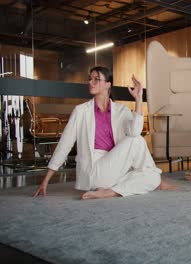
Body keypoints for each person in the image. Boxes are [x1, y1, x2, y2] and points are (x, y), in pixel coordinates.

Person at [34, 66, 174, 200]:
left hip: (115, 168)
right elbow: (65, 143)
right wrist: (46, 179)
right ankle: (154, 183)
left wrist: (138, 100)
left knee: (152, 176)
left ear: (108, 84)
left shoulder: (121, 110)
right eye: (90, 79)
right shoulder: (81, 111)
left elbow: (135, 131)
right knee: (137, 141)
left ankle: (110, 192)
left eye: (96, 79)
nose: (90, 82)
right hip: (94, 170)